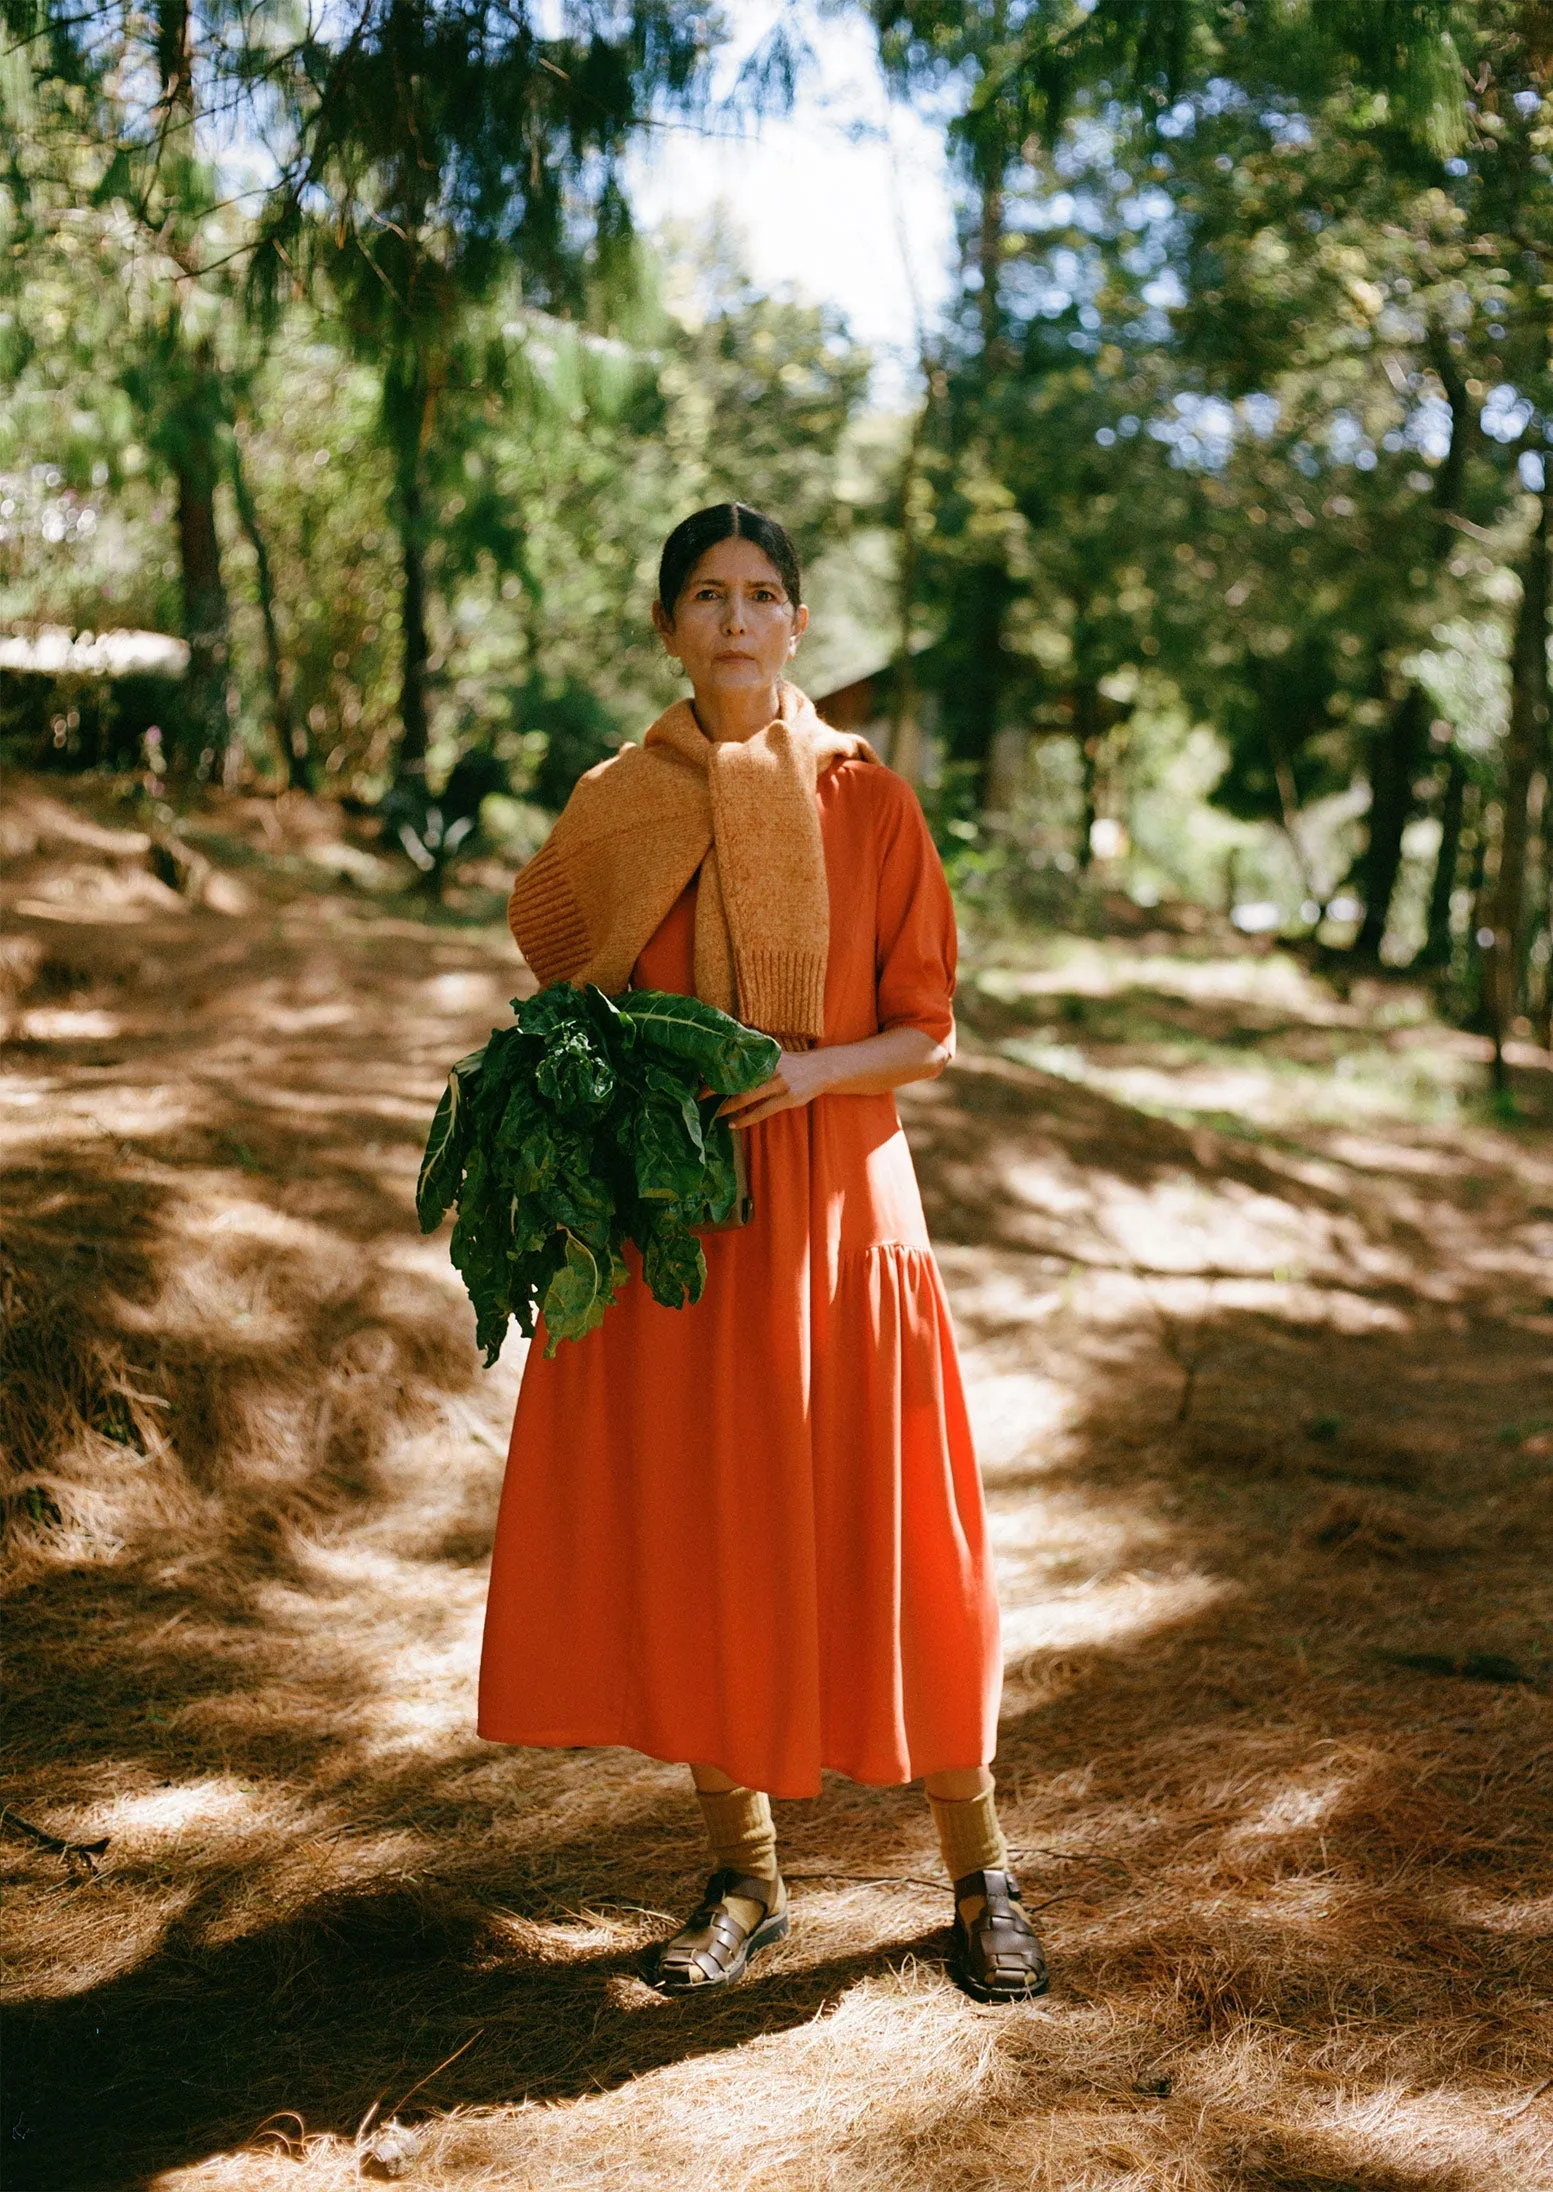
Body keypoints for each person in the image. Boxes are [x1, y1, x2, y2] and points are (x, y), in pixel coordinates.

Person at [480, 502, 1047, 2003]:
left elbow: (926, 1032)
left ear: (799, 624)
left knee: (898, 1531)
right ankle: (745, 1877)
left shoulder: (867, 801)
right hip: (685, 1231)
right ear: (669, 625)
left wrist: (804, 1074)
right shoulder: (613, 805)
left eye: (764, 595)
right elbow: (558, 962)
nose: (736, 620)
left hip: (843, 1208)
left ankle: (980, 1868)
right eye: (708, 596)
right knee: (708, 1530)